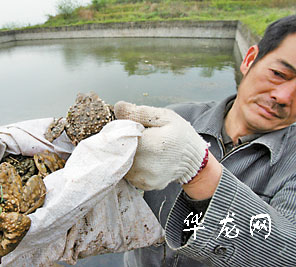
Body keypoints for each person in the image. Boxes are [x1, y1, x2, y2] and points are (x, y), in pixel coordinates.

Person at [114, 14, 296, 266]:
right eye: (279, 73)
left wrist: (198, 169)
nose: (284, 96)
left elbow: (287, 254)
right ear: (250, 59)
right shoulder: (177, 118)